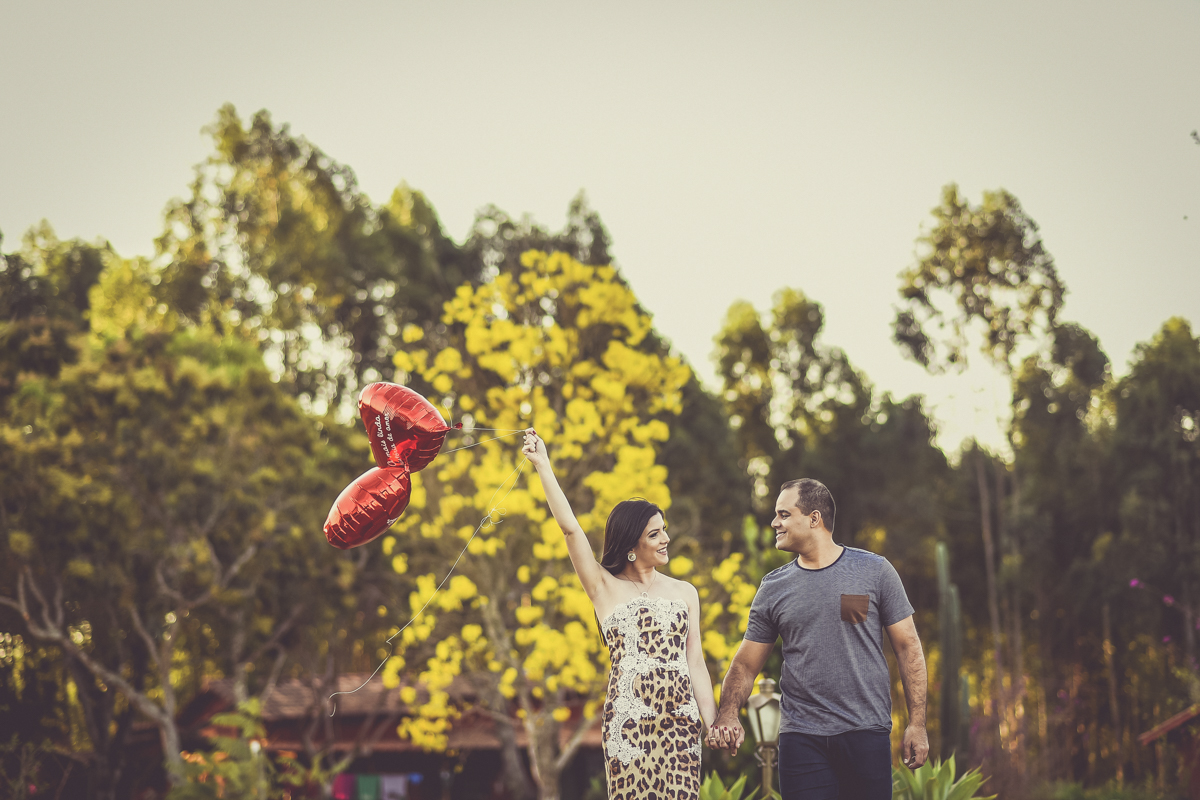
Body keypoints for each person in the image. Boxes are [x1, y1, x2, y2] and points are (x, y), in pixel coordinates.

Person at [522, 429, 717, 800]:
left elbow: (696, 663)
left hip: (680, 726)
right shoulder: (603, 587)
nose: (666, 540)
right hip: (628, 727)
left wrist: (711, 722)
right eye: (655, 534)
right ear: (632, 546)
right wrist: (543, 465)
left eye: (665, 531)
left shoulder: (685, 592)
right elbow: (570, 529)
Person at [707, 478, 928, 800]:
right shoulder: (774, 588)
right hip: (801, 737)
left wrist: (917, 724)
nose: (774, 523)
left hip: (865, 732)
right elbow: (744, 663)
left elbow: (909, 648)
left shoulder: (874, 571)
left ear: (814, 518)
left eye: (784, 514)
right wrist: (728, 713)